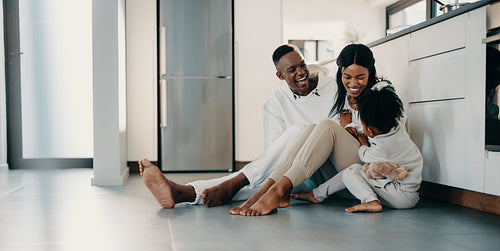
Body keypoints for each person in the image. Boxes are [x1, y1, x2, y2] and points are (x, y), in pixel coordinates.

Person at [139, 44, 337, 208]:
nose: (301, 72)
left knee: (303, 130)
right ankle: (186, 193)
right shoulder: (275, 103)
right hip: (300, 173)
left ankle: (232, 183)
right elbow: (274, 155)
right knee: (264, 180)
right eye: (292, 70)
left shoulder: (334, 87)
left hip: (332, 168)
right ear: (280, 76)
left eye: (302, 65)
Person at [230, 43, 385, 216]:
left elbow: (381, 137)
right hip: (340, 177)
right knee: (311, 128)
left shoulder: (380, 92)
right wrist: (345, 127)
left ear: (370, 72)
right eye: (347, 76)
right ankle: (267, 191)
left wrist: (350, 129)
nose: (353, 83)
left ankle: (277, 192)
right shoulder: (344, 93)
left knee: (325, 126)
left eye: (360, 77)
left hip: (369, 169)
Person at [292, 82, 423, 213]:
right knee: (352, 171)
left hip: (399, 196)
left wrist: (363, 144)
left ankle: (370, 201)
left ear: (370, 132)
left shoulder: (383, 149)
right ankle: (316, 194)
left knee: (352, 171)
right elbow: (371, 130)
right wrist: (350, 126)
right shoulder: (397, 127)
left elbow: (364, 155)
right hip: (409, 192)